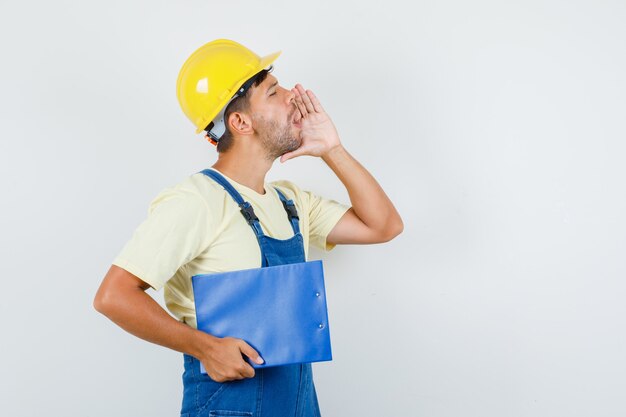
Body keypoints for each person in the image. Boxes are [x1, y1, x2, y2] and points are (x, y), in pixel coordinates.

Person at [93, 39, 403, 417]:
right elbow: (114, 295)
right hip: (228, 402)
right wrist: (204, 347)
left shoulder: (291, 202)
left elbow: (384, 226)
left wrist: (331, 149)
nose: (293, 96)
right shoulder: (197, 200)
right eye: (274, 91)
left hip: (298, 400)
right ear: (240, 122)